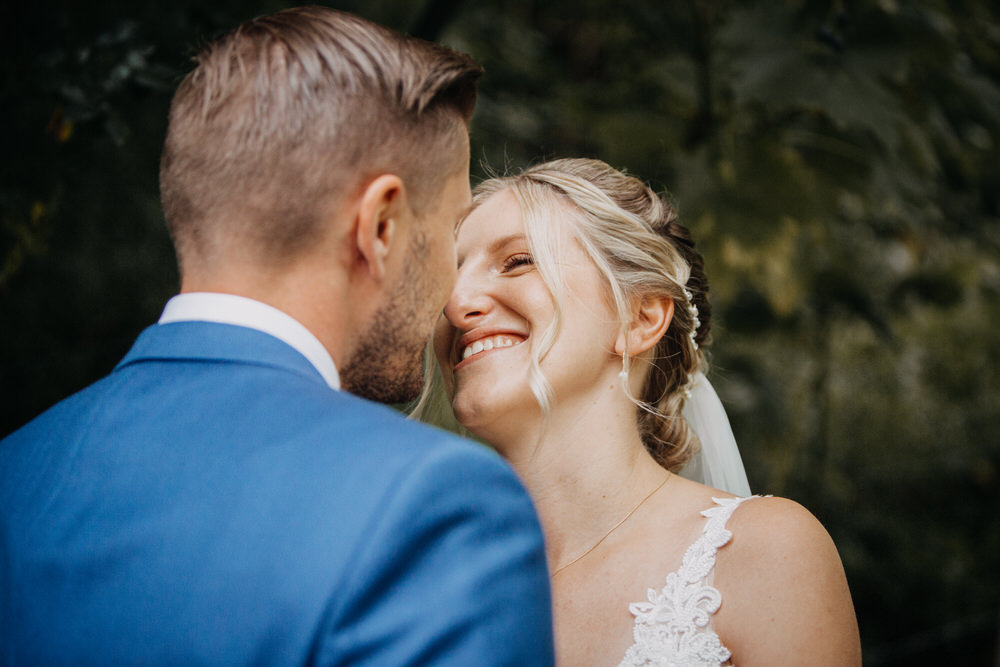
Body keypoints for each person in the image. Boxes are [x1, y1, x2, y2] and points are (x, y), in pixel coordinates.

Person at [0, 7, 555, 665]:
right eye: (451, 237)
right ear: (380, 226)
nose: (455, 297)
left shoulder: (16, 470)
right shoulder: (435, 505)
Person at [426, 158, 862, 665]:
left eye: (518, 261)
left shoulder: (764, 552)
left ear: (640, 319)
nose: (456, 304)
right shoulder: (424, 577)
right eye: (447, 276)